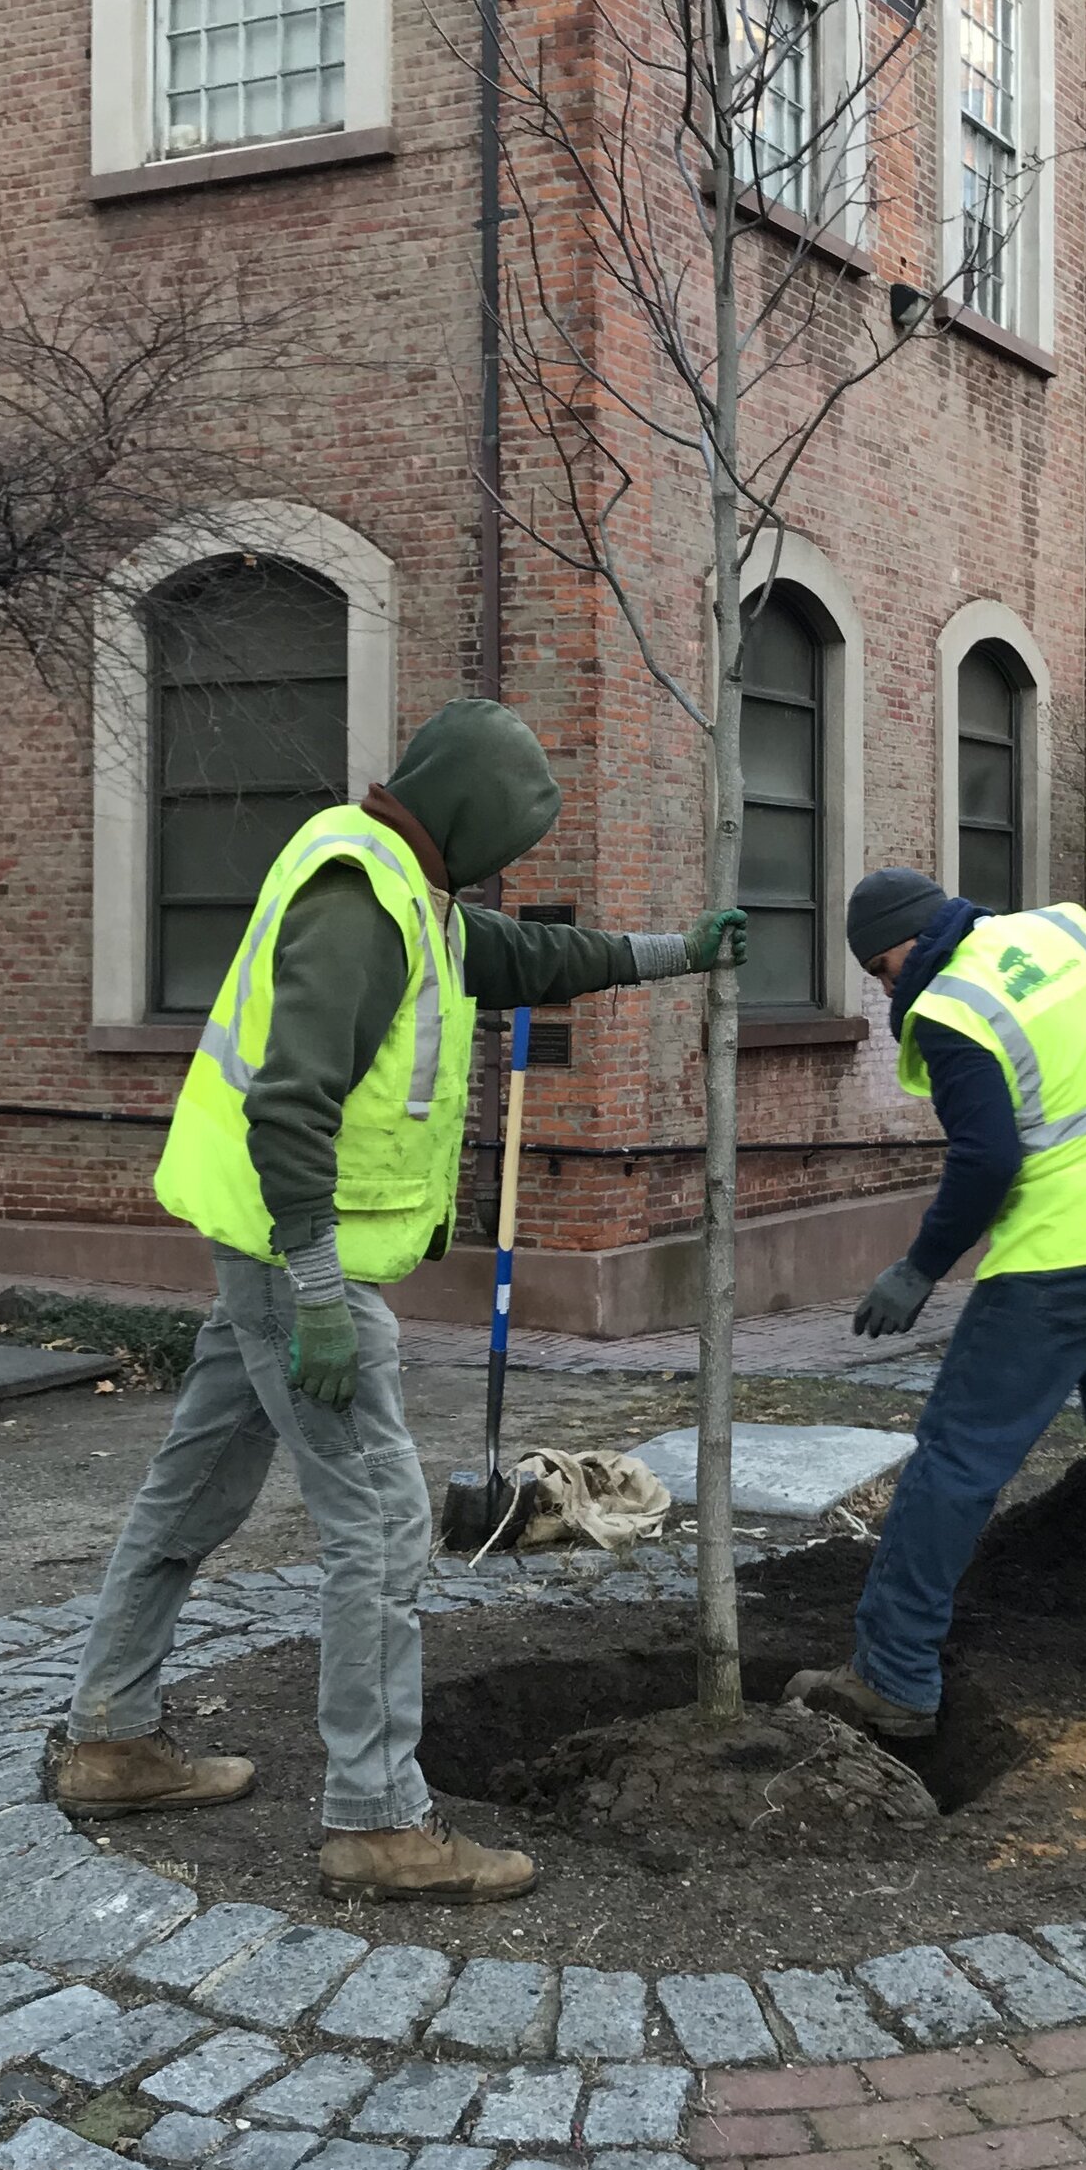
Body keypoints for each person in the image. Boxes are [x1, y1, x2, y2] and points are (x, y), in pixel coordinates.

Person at [56, 697, 745, 1900]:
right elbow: (290, 1101)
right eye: (509, 833)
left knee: (191, 1490)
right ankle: (376, 1821)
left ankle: (111, 1738)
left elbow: (522, 957)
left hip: (262, 1250)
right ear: (471, 813)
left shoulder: (402, 889)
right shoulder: (358, 901)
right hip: (293, 1259)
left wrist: (674, 952)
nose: (509, 861)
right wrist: (320, 1290)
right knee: (378, 1528)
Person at [785, 866, 1086, 1740]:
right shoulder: (1063, 936)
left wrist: (919, 1268)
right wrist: (1068, 927)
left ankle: (891, 1675)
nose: (889, 988)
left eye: (881, 970)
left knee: (956, 1461)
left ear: (901, 949)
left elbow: (989, 1160)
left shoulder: (952, 1009)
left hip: (1059, 1262)